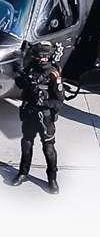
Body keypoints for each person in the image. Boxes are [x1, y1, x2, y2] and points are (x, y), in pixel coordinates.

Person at [11, 41, 64, 194]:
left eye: (45, 57)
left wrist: (45, 102)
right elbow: (21, 85)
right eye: (40, 57)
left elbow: (60, 101)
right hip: (29, 113)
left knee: (48, 148)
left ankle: (52, 179)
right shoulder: (31, 68)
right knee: (26, 143)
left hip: (45, 117)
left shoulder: (53, 73)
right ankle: (23, 173)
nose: (42, 60)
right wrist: (18, 70)